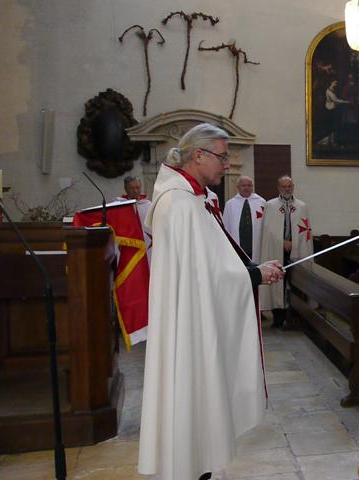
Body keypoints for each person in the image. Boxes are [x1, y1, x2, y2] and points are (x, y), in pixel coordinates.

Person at [138, 123, 284, 480]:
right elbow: (203, 276)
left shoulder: (192, 199)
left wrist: (251, 268)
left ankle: (196, 459)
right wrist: (255, 275)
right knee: (189, 386)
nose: (226, 165)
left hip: (194, 316)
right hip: (187, 322)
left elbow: (214, 262)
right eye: (221, 157)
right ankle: (187, 462)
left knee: (199, 390)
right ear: (198, 155)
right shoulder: (180, 204)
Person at [259, 175, 313, 328]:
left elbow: (305, 231)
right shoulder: (270, 206)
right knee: (277, 283)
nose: (287, 189)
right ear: (278, 188)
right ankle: (278, 317)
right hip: (276, 250)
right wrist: (282, 242)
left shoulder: (302, 206)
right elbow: (268, 231)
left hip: (297, 251)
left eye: (289, 186)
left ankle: (295, 317)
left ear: (293, 187)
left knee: (295, 282)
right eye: (284, 186)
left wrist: (294, 243)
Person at [223, 175, 267, 261]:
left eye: (249, 185)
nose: (246, 188)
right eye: (243, 185)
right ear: (238, 187)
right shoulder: (230, 204)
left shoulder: (261, 202)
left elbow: (266, 225)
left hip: (256, 243)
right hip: (238, 242)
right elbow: (226, 226)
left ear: (252, 187)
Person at [117, 175, 152, 263]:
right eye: (132, 188)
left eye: (137, 187)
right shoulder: (119, 206)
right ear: (126, 189)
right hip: (128, 247)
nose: (135, 191)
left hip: (147, 246)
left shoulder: (148, 206)